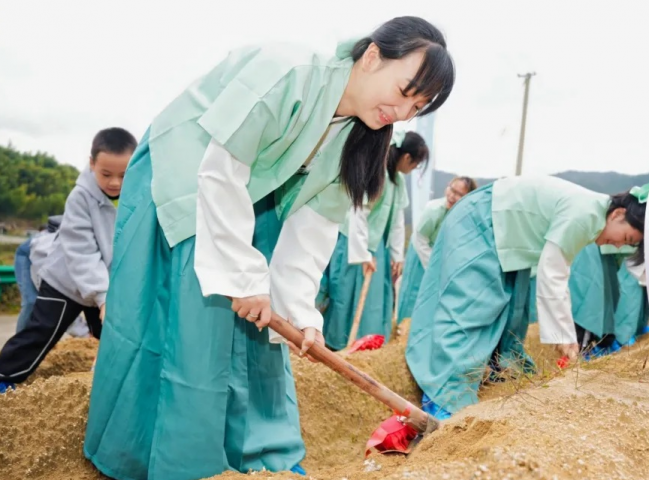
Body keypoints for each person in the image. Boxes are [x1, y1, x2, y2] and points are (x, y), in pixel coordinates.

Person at [83, 17, 455, 480]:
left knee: (259, 339)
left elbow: (313, 229)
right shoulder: (289, 72)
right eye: (404, 92)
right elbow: (219, 170)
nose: (402, 113)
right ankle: (174, 461)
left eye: (417, 107)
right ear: (373, 56)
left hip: (247, 202)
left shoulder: (358, 138)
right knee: (189, 330)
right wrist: (242, 277)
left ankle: (258, 457)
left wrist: (300, 314)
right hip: (183, 174)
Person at [405, 176, 648, 419]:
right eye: (625, 239)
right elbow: (553, 272)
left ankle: (497, 370)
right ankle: (446, 398)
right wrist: (565, 338)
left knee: (512, 311)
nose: (618, 246)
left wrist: (564, 335)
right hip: (483, 221)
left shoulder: (593, 216)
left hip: (508, 236)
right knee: (472, 308)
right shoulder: (585, 213)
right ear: (617, 214)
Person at [0, 128, 136, 393]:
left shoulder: (137, 197)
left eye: (124, 174)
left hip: (106, 286)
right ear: (92, 163)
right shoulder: (80, 198)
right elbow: (81, 252)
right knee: (40, 332)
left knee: (116, 333)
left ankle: (113, 383)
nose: (115, 183)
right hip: (67, 281)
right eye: (106, 174)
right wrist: (103, 296)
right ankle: (4, 375)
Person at [321, 130, 428, 351]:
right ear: (407, 158)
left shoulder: (397, 180)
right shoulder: (376, 171)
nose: (415, 169)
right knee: (346, 295)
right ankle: (339, 344)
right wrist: (362, 254)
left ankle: (367, 345)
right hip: (354, 242)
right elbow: (358, 211)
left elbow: (397, 220)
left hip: (378, 244)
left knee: (374, 301)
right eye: (416, 164)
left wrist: (398, 256)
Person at [396, 175, 478, 323]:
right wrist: (432, 266)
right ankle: (404, 329)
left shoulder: (462, 216)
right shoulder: (434, 209)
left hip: (438, 259)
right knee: (414, 293)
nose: (452, 196)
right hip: (421, 255)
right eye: (452, 189)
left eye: (459, 194)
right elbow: (420, 239)